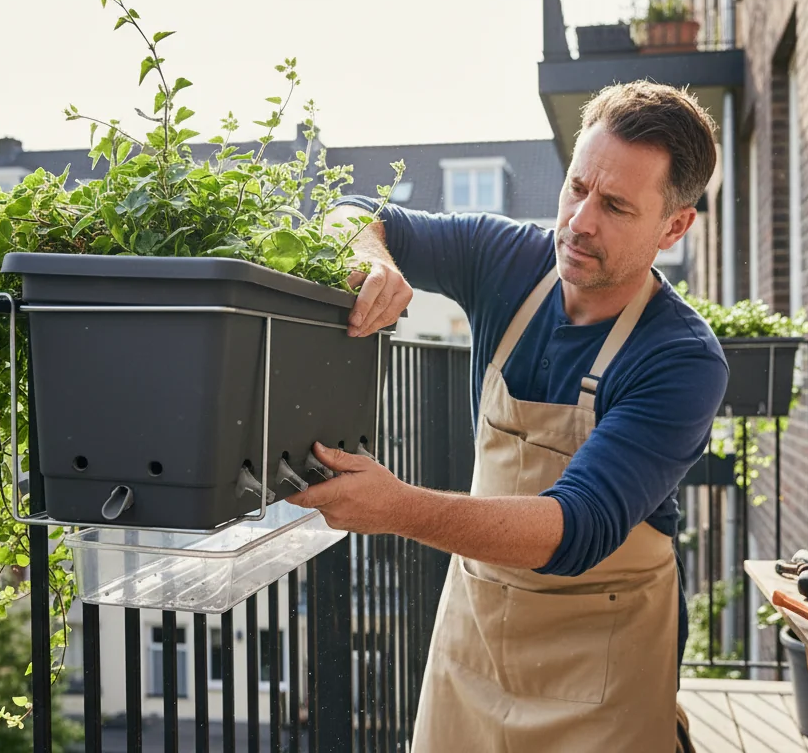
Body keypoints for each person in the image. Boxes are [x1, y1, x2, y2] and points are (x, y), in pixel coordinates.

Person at [287, 80, 727, 752]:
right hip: (477, 633)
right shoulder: (508, 260)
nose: (580, 222)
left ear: (675, 226)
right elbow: (350, 210)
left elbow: (573, 527)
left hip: (605, 658)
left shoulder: (681, 359)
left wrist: (397, 506)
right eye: (577, 187)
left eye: (614, 205)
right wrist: (367, 255)